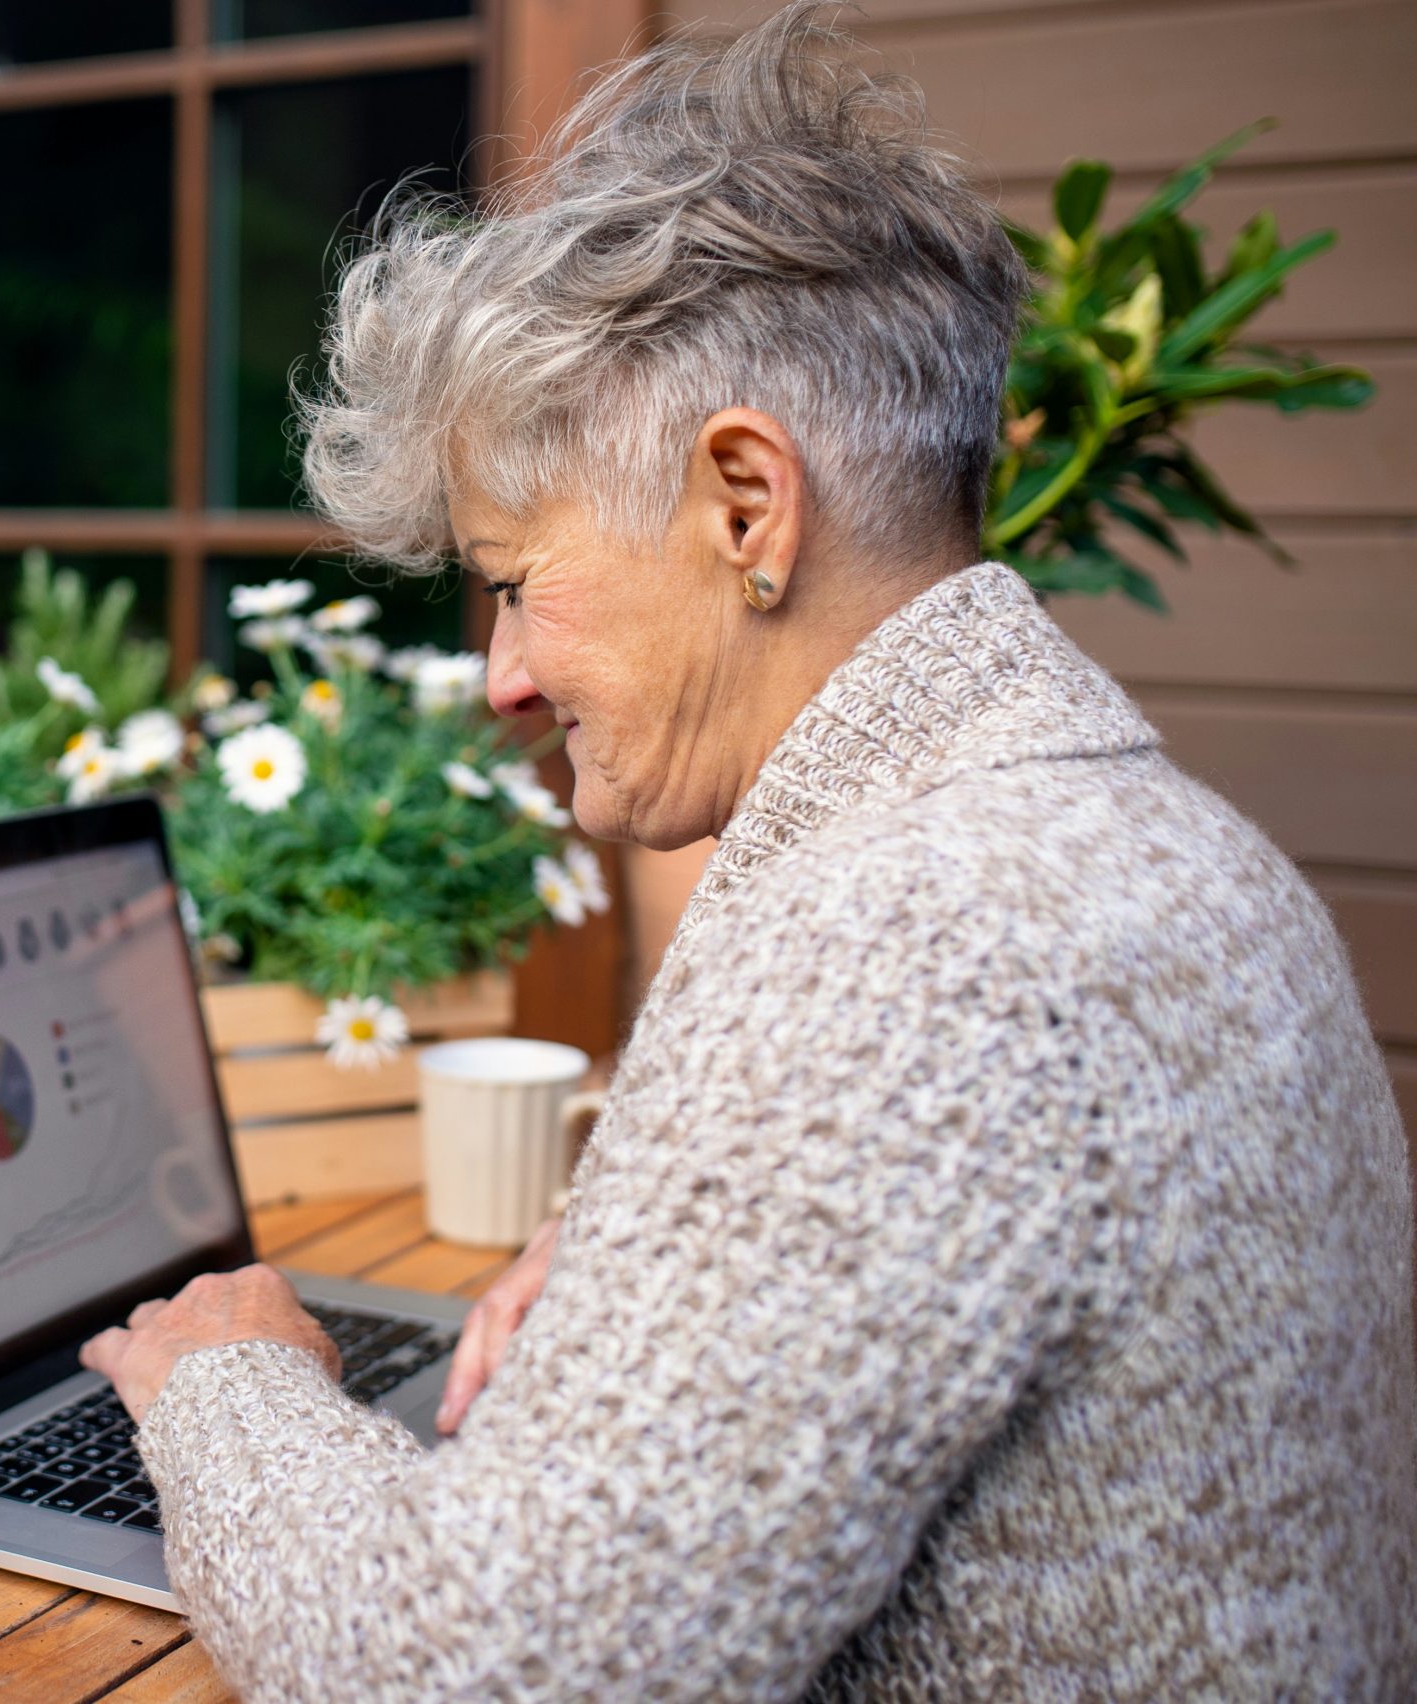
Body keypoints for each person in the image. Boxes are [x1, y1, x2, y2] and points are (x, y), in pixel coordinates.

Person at [79, 6, 1417, 1696]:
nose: (498, 675)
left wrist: (233, 1381)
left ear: (744, 509)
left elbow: (479, 1681)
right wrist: (680, 1267)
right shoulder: (1155, 843)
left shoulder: (906, 953)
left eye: (514, 575)